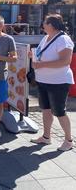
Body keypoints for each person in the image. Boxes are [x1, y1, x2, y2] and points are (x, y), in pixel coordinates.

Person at [30, 14, 74, 151]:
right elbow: (41, 54)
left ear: (52, 25)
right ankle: (46, 137)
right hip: (43, 80)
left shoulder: (63, 39)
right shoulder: (46, 37)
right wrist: (33, 56)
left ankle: (68, 140)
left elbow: (65, 61)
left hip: (58, 82)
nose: (43, 24)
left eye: (45, 22)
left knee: (59, 111)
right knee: (46, 109)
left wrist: (42, 65)